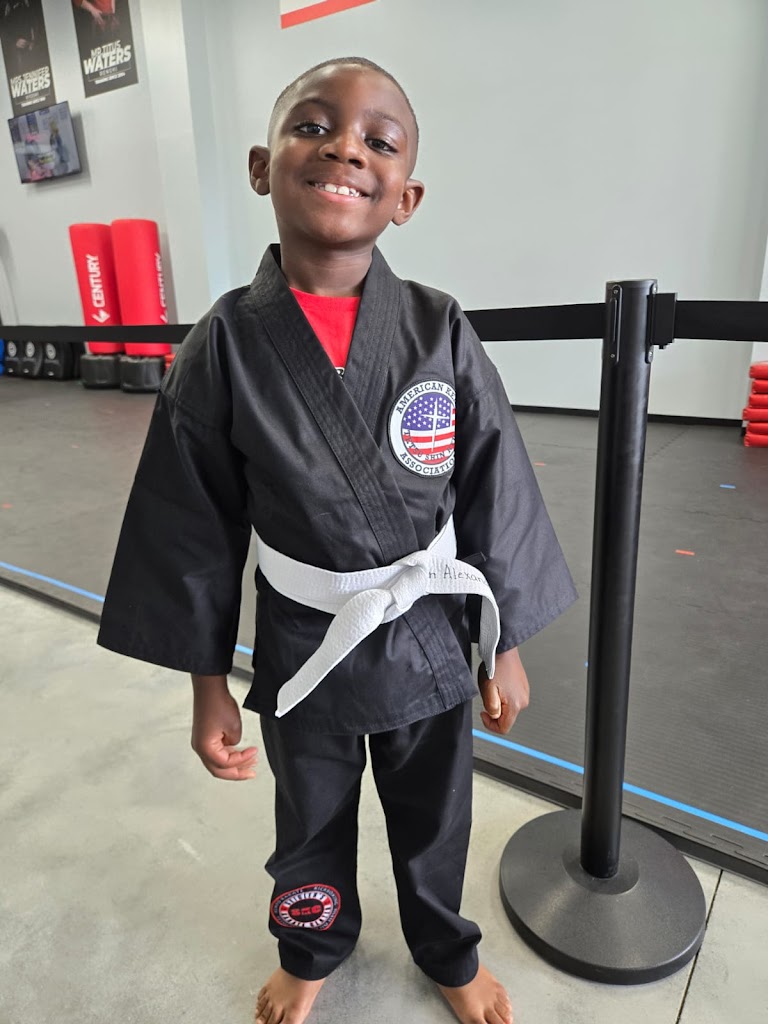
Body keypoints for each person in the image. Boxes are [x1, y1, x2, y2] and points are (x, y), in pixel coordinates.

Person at [97, 57, 577, 1024]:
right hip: (305, 639)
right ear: (261, 166)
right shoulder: (224, 344)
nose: (346, 149)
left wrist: (505, 644)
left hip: (429, 635)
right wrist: (206, 686)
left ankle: (447, 949)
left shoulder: (438, 328)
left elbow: (494, 485)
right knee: (308, 816)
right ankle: (312, 946)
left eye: (377, 142)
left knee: (437, 816)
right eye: (313, 127)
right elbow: (191, 528)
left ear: (406, 197)